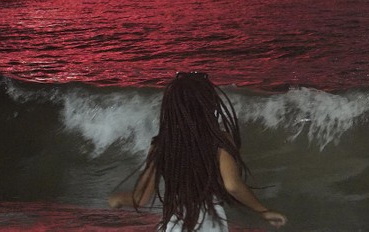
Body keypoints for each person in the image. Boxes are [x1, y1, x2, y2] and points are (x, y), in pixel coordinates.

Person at [109, 72, 287, 231]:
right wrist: (263, 211)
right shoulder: (219, 139)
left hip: (175, 224)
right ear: (208, 104)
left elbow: (141, 198)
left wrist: (117, 200)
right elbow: (232, 185)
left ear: (172, 107)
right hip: (210, 225)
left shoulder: (161, 144)